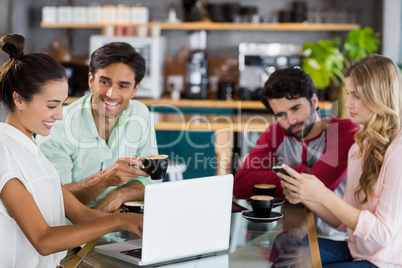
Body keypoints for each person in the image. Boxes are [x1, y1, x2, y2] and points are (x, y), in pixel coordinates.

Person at [0, 33, 143, 268]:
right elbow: (43, 240)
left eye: (62, 104)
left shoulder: (32, 151)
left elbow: (80, 214)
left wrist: (133, 222)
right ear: (19, 100)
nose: (59, 115)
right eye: (51, 106)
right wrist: (120, 221)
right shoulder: (5, 154)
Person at [280, 54, 402, 267]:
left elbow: (383, 234)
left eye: (357, 95)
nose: (349, 103)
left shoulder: (398, 152)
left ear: (379, 96)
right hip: (357, 252)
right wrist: (306, 195)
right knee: (284, 245)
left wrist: (323, 194)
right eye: (348, 94)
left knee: (298, 261)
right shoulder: (360, 147)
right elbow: (342, 222)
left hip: (386, 262)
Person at [233, 67, 359, 236]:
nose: (291, 120)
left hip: (336, 237)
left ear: (314, 101)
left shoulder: (343, 131)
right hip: (288, 234)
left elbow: (314, 191)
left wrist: (285, 179)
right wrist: (301, 172)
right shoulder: (276, 132)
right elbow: (241, 184)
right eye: (281, 115)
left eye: (295, 108)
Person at [37, 41, 157, 213]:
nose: (111, 94)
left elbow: (150, 181)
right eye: (105, 82)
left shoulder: (140, 114)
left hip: (122, 227)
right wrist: (104, 180)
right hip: (73, 233)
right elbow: (56, 199)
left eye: (123, 86)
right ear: (91, 81)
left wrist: (119, 195)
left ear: (135, 89)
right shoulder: (58, 126)